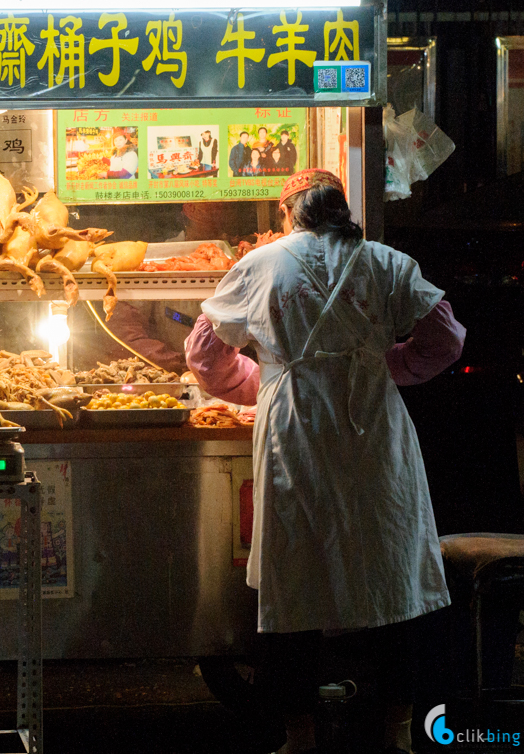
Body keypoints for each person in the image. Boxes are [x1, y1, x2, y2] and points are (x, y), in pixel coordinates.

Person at [184, 169, 466, 754]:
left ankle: (299, 736)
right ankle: (397, 732)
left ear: (290, 212)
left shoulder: (261, 264)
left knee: (295, 579)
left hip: (296, 428)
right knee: (391, 575)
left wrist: (259, 381)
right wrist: (390, 369)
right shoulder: (384, 262)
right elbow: (445, 337)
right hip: (374, 426)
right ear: (341, 209)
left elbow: (205, 353)